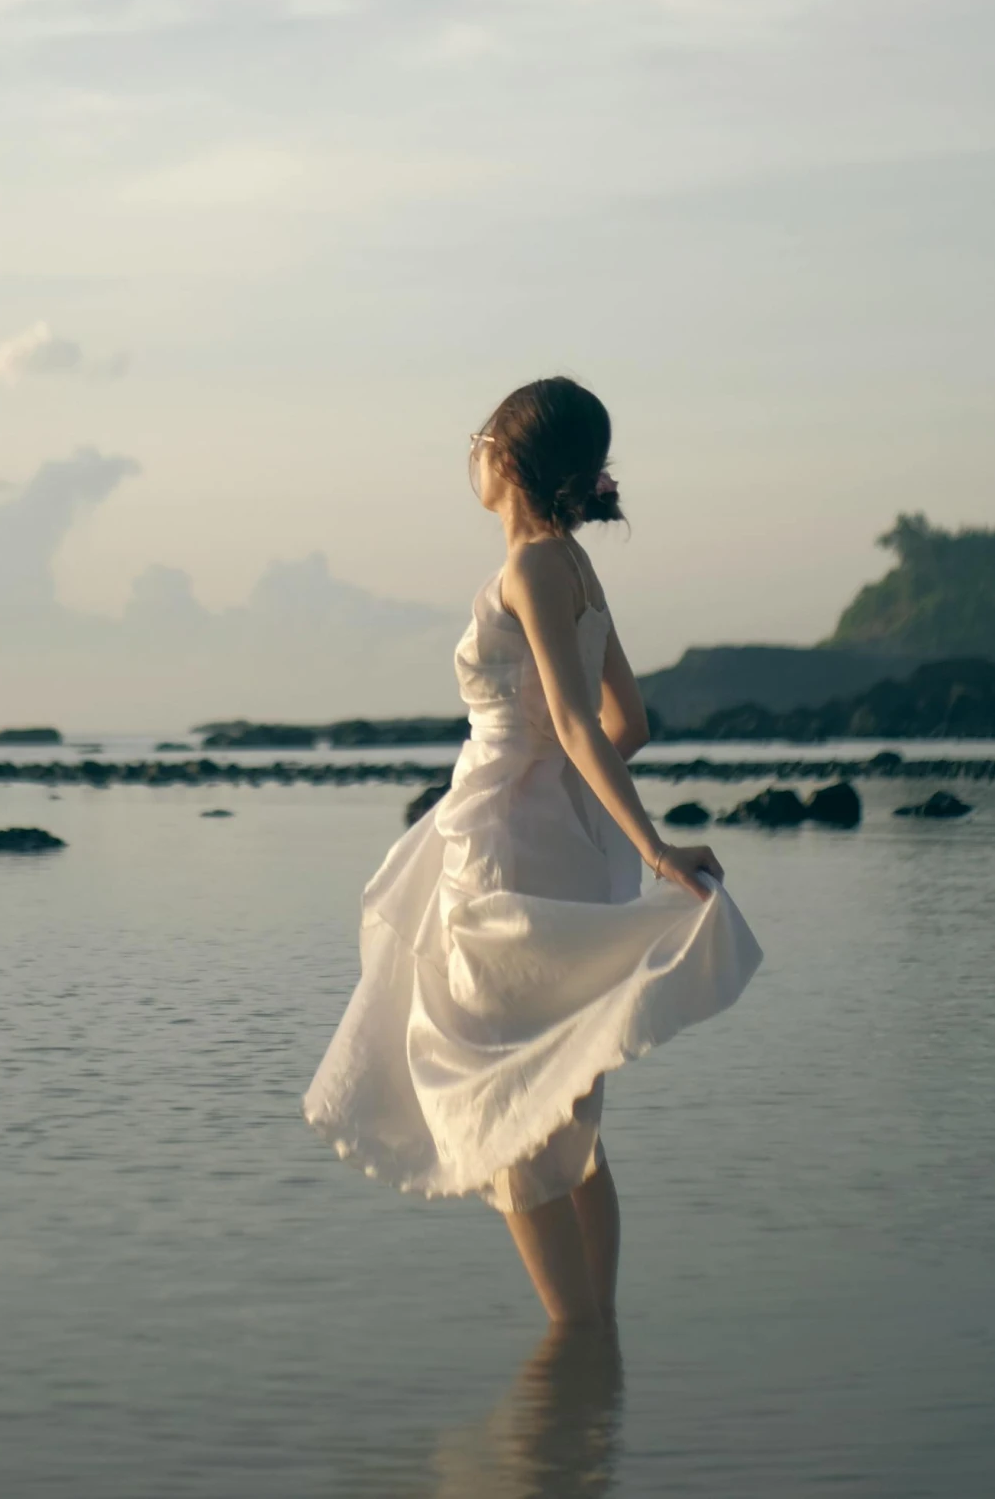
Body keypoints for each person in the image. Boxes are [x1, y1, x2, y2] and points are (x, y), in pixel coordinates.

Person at [302, 376, 763, 1325]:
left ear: (505, 459)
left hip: (512, 851)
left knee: (505, 1100)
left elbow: (575, 719)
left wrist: (646, 837)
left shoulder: (527, 571)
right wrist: (577, 793)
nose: (468, 454)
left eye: (477, 439)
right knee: (564, 1106)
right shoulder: (575, 571)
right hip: (573, 846)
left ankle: (571, 1355)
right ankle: (595, 1356)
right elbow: (623, 720)